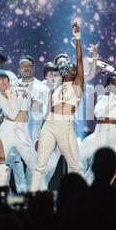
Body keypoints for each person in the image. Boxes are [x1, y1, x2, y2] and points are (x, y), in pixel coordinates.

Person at [29, 22, 85, 192]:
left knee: (76, 167)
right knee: (40, 166)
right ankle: (31, 197)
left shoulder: (77, 84)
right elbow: (48, 112)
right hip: (49, 125)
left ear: (75, 72)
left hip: (65, 126)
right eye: (66, 67)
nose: (68, 68)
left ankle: (87, 197)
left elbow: (80, 59)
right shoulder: (55, 87)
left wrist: (77, 38)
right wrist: (40, 134)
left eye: (71, 67)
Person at [0, 69, 38, 193]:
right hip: (8, 130)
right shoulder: (0, 96)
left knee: (34, 165)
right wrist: (18, 98)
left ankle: (40, 195)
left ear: (6, 80)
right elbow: (12, 115)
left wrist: (20, 95)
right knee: (2, 163)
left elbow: (26, 111)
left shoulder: (24, 91)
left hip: (22, 131)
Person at [78, 73, 116, 180]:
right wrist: (114, 100)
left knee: (100, 168)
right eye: (112, 83)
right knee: (78, 155)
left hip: (114, 135)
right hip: (99, 132)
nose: (115, 85)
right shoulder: (102, 98)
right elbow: (98, 113)